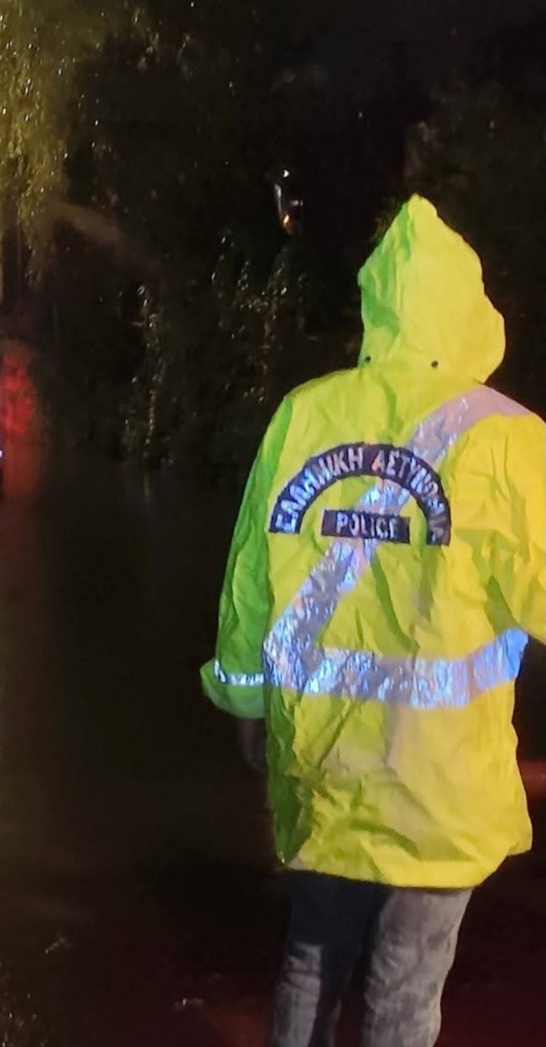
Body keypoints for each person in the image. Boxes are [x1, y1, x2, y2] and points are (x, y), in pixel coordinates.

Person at [200, 195, 545, 1047]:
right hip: (440, 782)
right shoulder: (508, 441)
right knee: (403, 993)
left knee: (312, 964)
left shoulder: (304, 416)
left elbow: (251, 583)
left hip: (326, 768)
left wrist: (248, 708)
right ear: (469, 309)